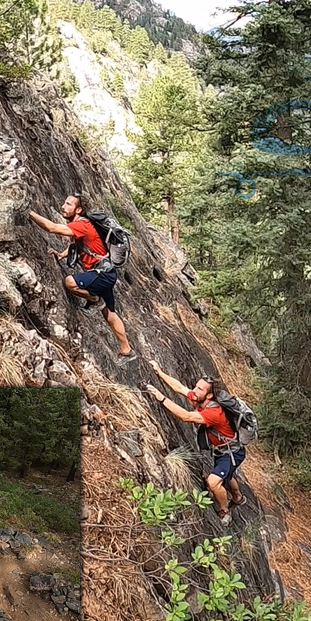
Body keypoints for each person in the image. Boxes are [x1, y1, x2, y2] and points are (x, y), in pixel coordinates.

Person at [29, 192, 137, 365]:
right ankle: (127, 349)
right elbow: (77, 244)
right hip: (106, 273)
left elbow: (52, 228)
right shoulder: (80, 225)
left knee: (70, 282)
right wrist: (61, 254)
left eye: (69, 204)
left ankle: (94, 299)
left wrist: (29, 212)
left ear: (78, 209)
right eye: (64, 203)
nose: (63, 206)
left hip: (101, 274)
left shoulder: (82, 225)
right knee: (109, 313)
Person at [145, 362, 246, 525]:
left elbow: (186, 416)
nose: (195, 390)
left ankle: (224, 511)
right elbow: (180, 388)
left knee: (213, 482)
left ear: (209, 396)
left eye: (200, 389)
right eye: (196, 386)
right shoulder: (200, 399)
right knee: (227, 475)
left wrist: (161, 398)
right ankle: (238, 497)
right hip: (223, 451)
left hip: (231, 453)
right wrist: (160, 372)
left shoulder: (214, 412)